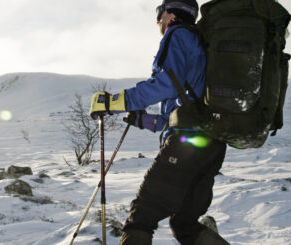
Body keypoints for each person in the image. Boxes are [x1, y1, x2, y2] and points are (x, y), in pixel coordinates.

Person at [89, 0, 230, 244]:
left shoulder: (177, 34)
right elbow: (179, 111)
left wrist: (115, 102)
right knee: (184, 224)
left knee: (141, 217)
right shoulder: (202, 45)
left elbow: (165, 83)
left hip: (187, 144)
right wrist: (142, 119)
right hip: (212, 144)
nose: (158, 20)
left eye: (159, 13)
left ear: (170, 13)